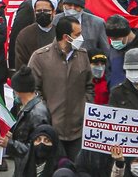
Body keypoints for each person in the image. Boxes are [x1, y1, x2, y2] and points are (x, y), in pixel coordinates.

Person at [27, 15, 92, 159]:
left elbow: (89, 86)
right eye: (77, 35)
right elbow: (32, 92)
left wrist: (84, 108)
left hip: (78, 130)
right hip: (50, 131)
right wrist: (45, 115)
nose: (81, 38)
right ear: (66, 37)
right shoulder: (40, 57)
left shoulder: (82, 55)